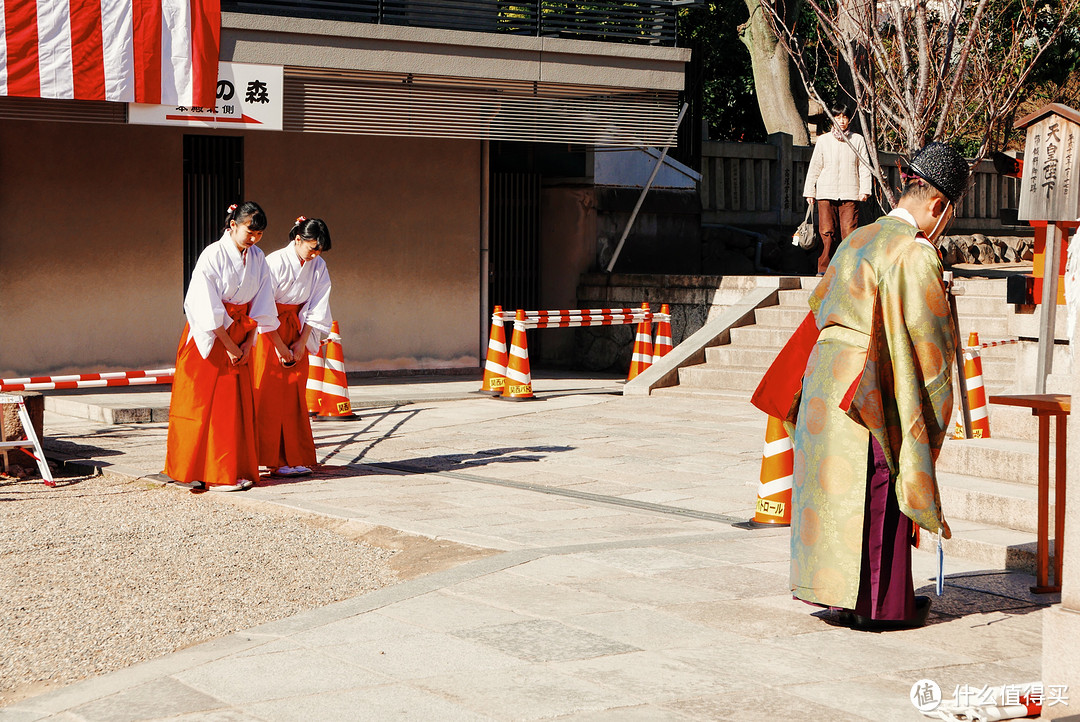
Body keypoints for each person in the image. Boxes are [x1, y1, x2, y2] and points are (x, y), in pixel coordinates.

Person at [762, 142, 970, 630]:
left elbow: (820, 305)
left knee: (833, 490)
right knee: (879, 481)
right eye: (948, 216)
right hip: (867, 382)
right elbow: (925, 337)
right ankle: (877, 607)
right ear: (939, 205)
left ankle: (836, 597)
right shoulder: (914, 251)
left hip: (824, 374)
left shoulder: (858, 238)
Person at [165, 202, 281, 492]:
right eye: (249, 231)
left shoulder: (258, 258)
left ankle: (232, 468)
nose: (254, 238)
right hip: (211, 337)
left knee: (235, 408)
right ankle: (212, 472)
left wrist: (249, 340)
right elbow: (204, 304)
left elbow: (263, 302)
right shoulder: (213, 255)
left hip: (242, 333)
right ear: (233, 225)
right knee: (208, 406)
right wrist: (228, 343)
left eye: (259, 233)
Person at [252, 216, 333, 478]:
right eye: (312, 248)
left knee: (294, 396)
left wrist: (300, 341)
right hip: (268, 331)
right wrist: (278, 345)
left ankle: (291, 456)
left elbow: (318, 305)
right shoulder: (274, 262)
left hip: (296, 327)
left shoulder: (318, 265)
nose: (315, 255)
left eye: (319, 250)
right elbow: (262, 305)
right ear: (297, 240)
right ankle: (265, 457)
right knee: (267, 395)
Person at [803, 104, 873, 275]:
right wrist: (810, 192)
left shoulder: (857, 140)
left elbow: (864, 166)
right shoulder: (823, 140)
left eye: (844, 117)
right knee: (827, 232)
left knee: (849, 232)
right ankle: (824, 268)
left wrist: (865, 189)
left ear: (849, 119)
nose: (841, 120)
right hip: (825, 193)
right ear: (832, 118)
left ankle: (847, 268)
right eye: (838, 117)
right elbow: (815, 167)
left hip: (850, 193)